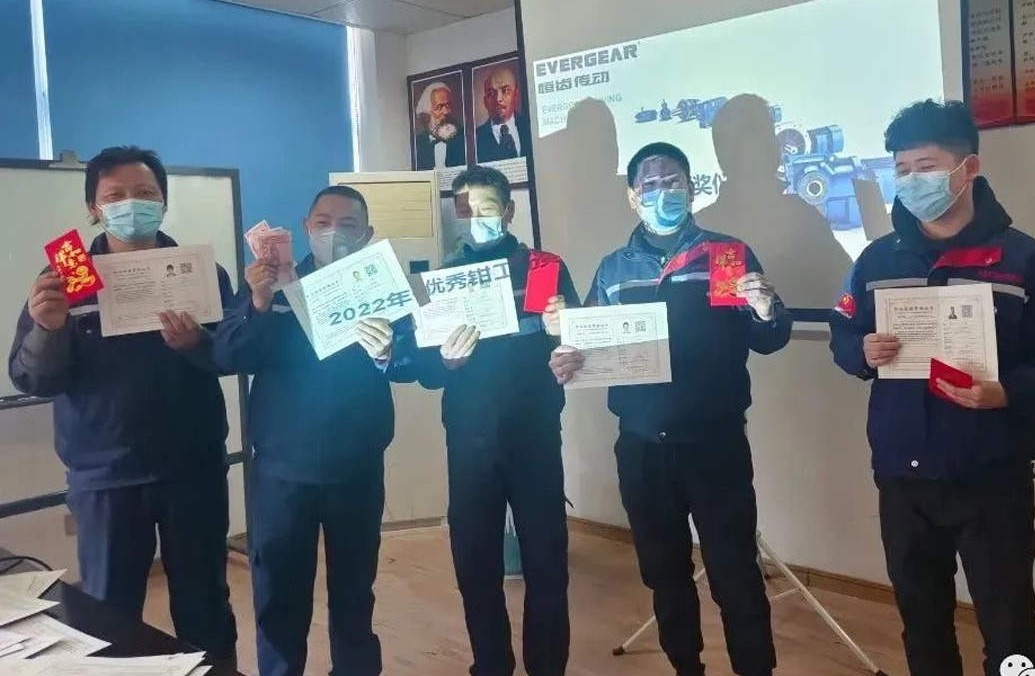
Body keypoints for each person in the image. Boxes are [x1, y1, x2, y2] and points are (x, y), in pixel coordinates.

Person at [829, 100, 1035, 676]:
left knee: (1009, 625)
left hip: (991, 478)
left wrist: (1006, 392)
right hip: (902, 477)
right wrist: (861, 352)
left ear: (968, 168)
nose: (911, 181)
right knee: (922, 621)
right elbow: (842, 331)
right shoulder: (876, 260)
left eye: (925, 167)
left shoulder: (1024, 259)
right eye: (901, 170)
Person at [547, 142, 792, 676]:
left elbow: (769, 339)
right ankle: (686, 666)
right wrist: (567, 357)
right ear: (633, 196)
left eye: (673, 181)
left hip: (715, 443)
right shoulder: (614, 269)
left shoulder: (725, 256)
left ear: (692, 187)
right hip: (641, 447)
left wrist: (765, 310)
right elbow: (587, 344)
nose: (664, 192)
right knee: (664, 574)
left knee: (735, 571)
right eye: (651, 184)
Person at [8, 146, 237, 663]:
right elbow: (32, 378)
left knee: (205, 606)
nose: (130, 204)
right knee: (109, 614)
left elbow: (230, 357)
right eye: (114, 196)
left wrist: (197, 344)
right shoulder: (66, 275)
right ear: (93, 208)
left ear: (164, 202)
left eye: (145, 193)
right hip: (105, 476)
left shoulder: (200, 272)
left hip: (193, 472)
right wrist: (48, 329)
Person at [211, 185, 416, 676]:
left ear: (367, 233)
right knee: (279, 595)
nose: (333, 232)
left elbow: (415, 361)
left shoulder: (381, 286)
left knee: (354, 595)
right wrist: (258, 302)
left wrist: (388, 352)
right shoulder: (274, 283)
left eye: (348, 224)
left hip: (356, 466)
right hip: (282, 469)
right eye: (323, 222)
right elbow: (227, 355)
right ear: (306, 228)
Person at [412, 166, 578, 676]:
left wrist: (564, 332)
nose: (476, 218)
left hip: (534, 435)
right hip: (469, 440)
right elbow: (426, 372)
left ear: (508, 211)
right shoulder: (443, 277)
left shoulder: (544, 268)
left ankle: (546, 667)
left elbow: (578, 346)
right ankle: (490, 664)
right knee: (475, 561)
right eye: (466, 209)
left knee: (546, 561)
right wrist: (447, 361)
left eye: (487, 208)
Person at [474, 65, 531, 163]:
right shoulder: (474, 139)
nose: (498, 99)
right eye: (491, 93)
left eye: (506, 91)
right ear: (485, 101)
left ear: (516, 96)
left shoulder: (530, 127)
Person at [414, 81, 466, 170]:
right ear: (427, 112)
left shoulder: (463, 136)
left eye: (448, 105)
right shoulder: (418, 143)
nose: (446, 112)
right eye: (439, 107)